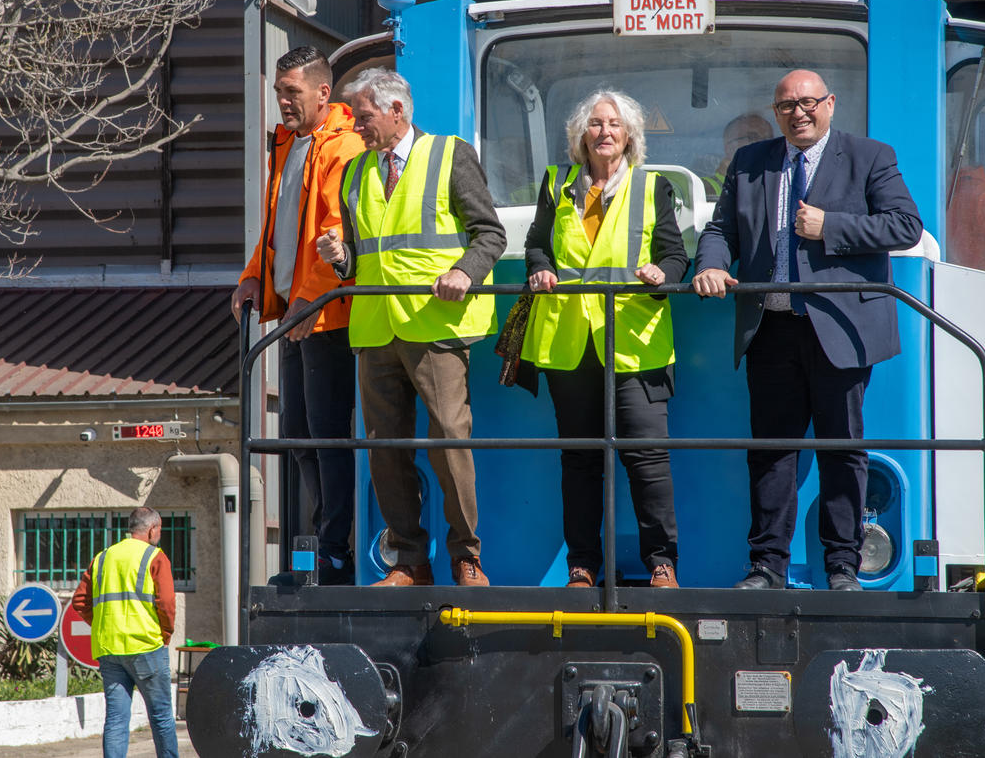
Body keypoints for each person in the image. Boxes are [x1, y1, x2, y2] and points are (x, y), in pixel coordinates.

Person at [692, 69, 922, 591]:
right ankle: (766, 566)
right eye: (786, 106)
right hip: (771, 327)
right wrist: (710, 264)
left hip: (840, 326)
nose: (798, 113)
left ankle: (842, 567)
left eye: (808, 103)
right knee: (772, 451)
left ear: (830, 104)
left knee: (843, 450)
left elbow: (906, 225)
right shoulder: (752, 161)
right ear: (776, 113)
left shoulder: (870, 156)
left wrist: (830, 226)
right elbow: (720, 229)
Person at [317, 68, 506, 587]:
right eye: (355, 116)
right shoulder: (355, 173)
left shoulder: (450, 154)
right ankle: (410, 562)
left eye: (364, 115)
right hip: (376, 328)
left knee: (448, 438)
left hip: (435, 327)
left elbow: (490, 234)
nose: (357, 126)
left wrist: (464, 273)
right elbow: (362, 257)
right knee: (384, 450)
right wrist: (340, 258)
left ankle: (467, 557)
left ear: (397, 110)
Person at [521, 90, 687, 589]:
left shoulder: (652, 186)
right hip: (570, 342)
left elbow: (677, 256)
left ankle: (661, 563)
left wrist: (663, 274)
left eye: (614, 124)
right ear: (580, 136)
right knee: (581, 460)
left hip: (636, 341)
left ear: (630, 135)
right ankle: (583, 566)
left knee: (646, 458)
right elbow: (535, 244)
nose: (604, 132)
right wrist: (540, 269)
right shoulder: (557, 183)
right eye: (594, 124)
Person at [230, 45, 364, 585]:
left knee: (326, 434)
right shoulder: (288, 145)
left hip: (324, 316)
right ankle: (318, 543)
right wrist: (252, 278)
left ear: (322, 93)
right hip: (294, 314)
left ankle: (336, 551)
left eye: (293, 93)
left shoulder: (343, 146)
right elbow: (277, 229)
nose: (283, 102)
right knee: (299, 433)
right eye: (279, 92)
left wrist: (312, 299)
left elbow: (333, 233)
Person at [71, 507, 178, 758]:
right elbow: (166, 604)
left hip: (109, 649)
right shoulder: (155, 557)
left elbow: (80, 602)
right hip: (146, 647)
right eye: (159, 530)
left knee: (116, 720)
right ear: (152, 529)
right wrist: (165, 634)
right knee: (161, 716)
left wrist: (103, 625)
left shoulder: (102, 558)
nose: (159, 535)